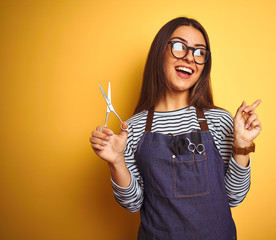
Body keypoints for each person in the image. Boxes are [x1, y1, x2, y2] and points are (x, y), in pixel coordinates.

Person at [90, 17, 262, 240]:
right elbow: (132, 204)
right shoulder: (133, 127)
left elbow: (234, 196)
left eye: (200, 52)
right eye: (180, 47)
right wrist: (116, 162)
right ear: (159, 53)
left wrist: (243, 145)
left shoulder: (220, 121)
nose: (190, 57)